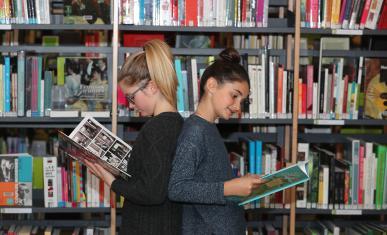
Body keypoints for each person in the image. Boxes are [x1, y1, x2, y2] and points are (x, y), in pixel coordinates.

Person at [85, 39, 183, 235]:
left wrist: (110, 180)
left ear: (152, 87)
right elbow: (158, 176)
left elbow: (151, 192)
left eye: (131, 96)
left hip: (148, 226)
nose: (130, 104)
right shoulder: (177, 123)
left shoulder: (156, 128)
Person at [168, 48, 265, 235]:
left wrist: (239, 185)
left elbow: (208, 180)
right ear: (211, 85)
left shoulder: (208, 127)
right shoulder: (195, 131)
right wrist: (229, 188)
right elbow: (177, 188)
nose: (237, 107)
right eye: (234, 96)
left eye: (242, 101)